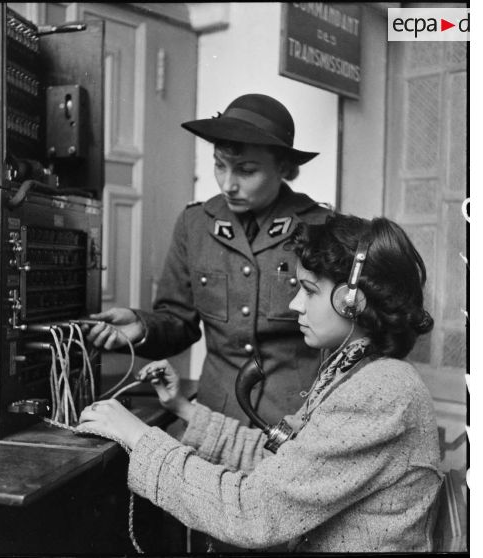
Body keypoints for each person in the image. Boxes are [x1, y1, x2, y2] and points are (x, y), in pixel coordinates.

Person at [77, 213, 443, 553]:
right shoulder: (359, 371)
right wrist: (182, 409)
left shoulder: (379, 392)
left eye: (309, 290)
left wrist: (141, 440)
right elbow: (282, 465)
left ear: (353, 301)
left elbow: (254, 510)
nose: (296, 304)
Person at [86, 93, 331, 425]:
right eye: (219, 165)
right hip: (217, 414)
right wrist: (141, 327)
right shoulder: (195, 224)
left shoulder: (320, 226)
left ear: (284, 168)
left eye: (246, 170)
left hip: (295, 417)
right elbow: (178, 321)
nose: (228, 184)